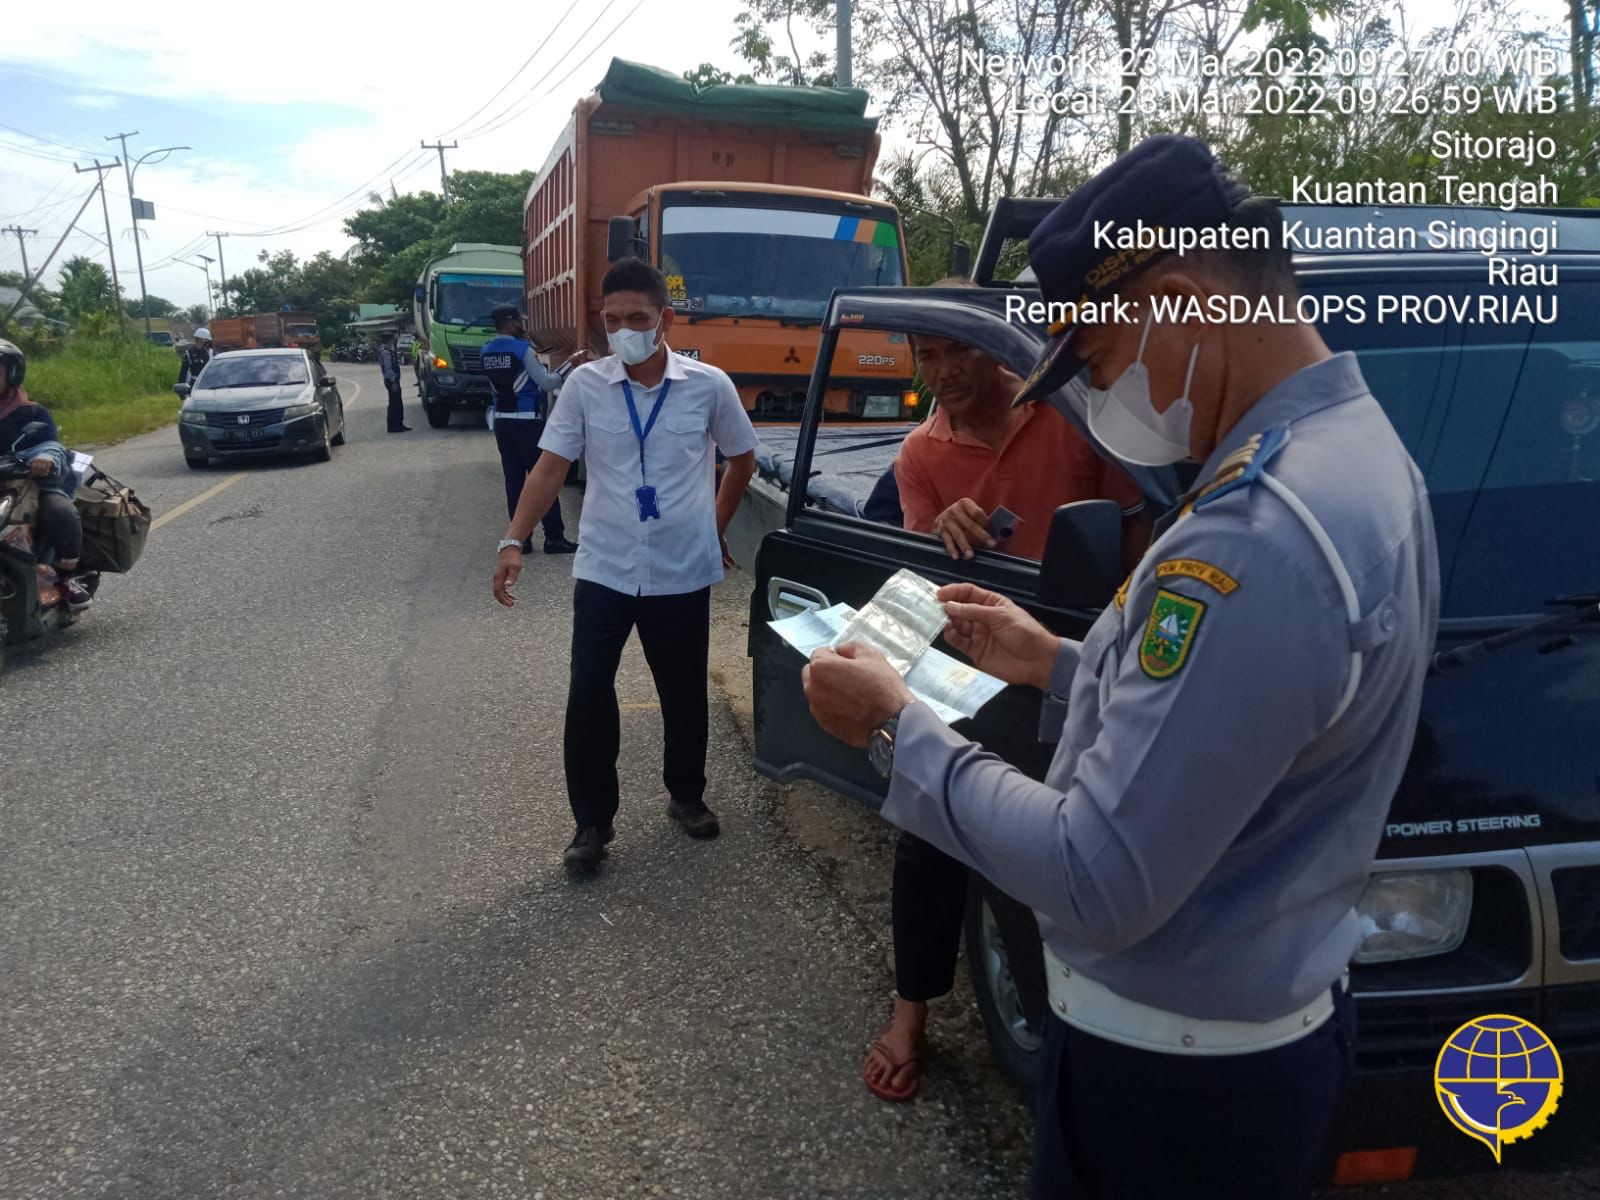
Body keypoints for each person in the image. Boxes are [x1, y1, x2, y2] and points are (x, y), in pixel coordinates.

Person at [802, 135, 1439, 1199]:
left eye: (1093, 361)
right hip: (1246, 1043)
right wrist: (1060, 658)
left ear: (1183, 303)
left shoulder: (1256, 534)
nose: (1100, 394)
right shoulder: (1352, 456)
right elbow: (1245, 713)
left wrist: (893, 725)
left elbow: (1096, 877)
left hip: (1175, 1092)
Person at [863, 321, 1149, 1104]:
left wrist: (1118, 650)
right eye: (926, 356)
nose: (942, 371)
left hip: (1082, 651)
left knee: (1063, 844)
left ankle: (1068, 1021)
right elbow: (925, 586)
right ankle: (910, 1012)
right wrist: (945, 532)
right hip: (975, 659)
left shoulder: (1071, 416)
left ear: (999, 353)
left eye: (957, 350)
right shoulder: (921, 453)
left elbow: (1135, 541)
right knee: (927, 832)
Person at [492, 258, 758, 871]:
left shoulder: (709, 386)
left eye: (637, 318)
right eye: (612, 321)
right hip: (606, 566)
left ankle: (686, 797)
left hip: (681, 569)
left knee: (683, 691)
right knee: (588, 690)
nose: (623, 331)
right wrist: (512, 541)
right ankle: (591, 824)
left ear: (665, 319)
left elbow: (741, 460)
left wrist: (711, 527)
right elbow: (550, 468)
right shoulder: (586, 387)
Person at [481, 303, 579, 555]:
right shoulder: (522, 350)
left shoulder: (486, 351)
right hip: (526, 422)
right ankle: (554, 537)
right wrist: (569, 364)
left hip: (502, 422)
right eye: (518, 321)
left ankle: (521, 540)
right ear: (509, 322)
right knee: (542, 479)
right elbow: (547, 383)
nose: (521, 325)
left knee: (513, 482)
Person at [0, 339, 91, 610]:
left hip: (32, 484)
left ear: (13, 372)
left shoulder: (31, 412)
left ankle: (65, 577)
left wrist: (44, 458)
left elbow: (50, 443)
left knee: (60, 511)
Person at [377, 332, 410, 433]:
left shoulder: (385, 350)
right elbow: (388, 368)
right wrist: (393, 381)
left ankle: (399, 423)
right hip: (392, 381)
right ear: (389, 340)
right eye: (392, 339)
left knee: (397, 402)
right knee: (394, 403)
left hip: (392, 380)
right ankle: (393, 426)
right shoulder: (386, 352)